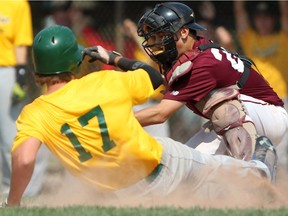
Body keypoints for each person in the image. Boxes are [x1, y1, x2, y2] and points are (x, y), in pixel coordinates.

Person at [0, 25, 277, 207]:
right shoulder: (104, 82)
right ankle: (258, 171)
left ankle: (249, 181)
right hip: (159, 167)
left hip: (119, 195)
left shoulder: (33, 113)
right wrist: (112, 59)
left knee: (203, 185)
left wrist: (13, 203)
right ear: (75, 60)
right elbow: (155, 78)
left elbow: (24, 159)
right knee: (211, 169)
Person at [135, 2, 288, 162]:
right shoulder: (195, 49)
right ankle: (247, 180)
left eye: (162, 36)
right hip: (243, 117)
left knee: (224, 106)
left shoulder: (202, 63)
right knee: (187, 165)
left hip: (268, 115)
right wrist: (114, 59)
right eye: (154, 37)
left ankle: (257, 164)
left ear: (184, 32)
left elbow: (160, 114)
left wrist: (111, 121)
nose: (157, 42)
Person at [0, 0, 49, 197]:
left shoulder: (17, 4)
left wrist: (20, 77)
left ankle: (21, 189)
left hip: (6, 71)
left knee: (9, 134)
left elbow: (21, 42)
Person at [234, 1, 288, 170]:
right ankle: (257, 184)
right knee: (252, 145)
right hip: (254, 99)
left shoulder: (283, 37)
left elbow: (285, 13)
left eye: (267, 18)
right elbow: (240, 12)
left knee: (281, 149)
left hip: (280, 99)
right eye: (258, 18)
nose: (263, 22)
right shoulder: (250, 38)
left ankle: (281, 187)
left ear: (274, 19)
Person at [122, 18, 170, 137]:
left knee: (161, 144)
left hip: (155, 105)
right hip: (138, 102)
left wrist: (133, 32)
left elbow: (150, 56)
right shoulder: (136, 49)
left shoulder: (160, 49)